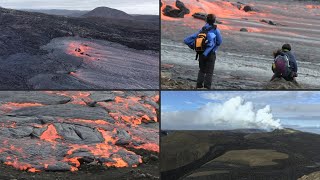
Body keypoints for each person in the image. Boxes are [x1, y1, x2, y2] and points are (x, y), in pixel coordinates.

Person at [184, 14, 223, 89]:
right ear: (214, 21)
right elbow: (219, 42)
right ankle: (207, 87)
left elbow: (186, 40)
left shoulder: (202, 30)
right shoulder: (216, 30)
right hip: (211, 54)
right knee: (209, 72)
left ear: (206, 20)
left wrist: (193, 47)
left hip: (201, 53)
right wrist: (213, 47)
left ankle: (199, 85)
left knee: (202, 70)